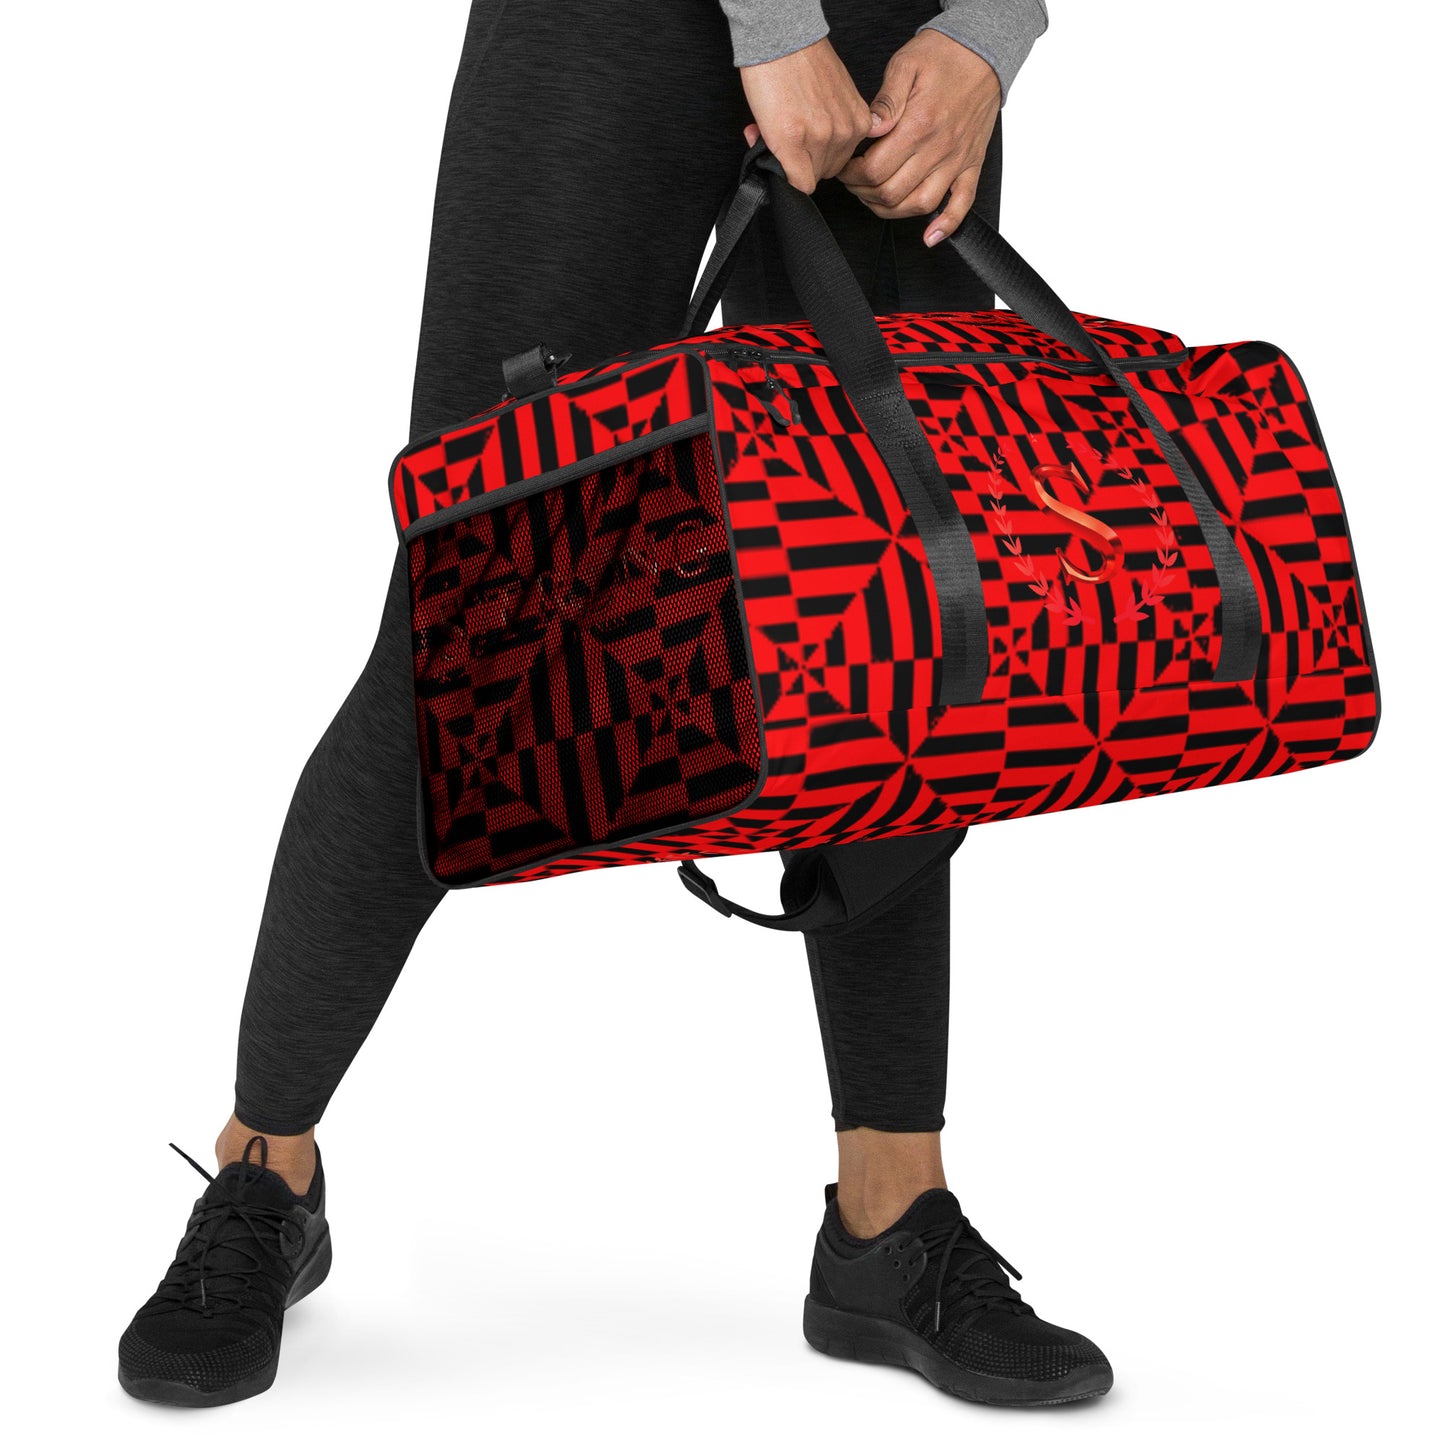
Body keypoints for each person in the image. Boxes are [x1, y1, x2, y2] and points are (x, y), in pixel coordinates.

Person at [118, 0, 1110, 1412]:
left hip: (911, 51)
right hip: (613, 29)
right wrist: (773, 23)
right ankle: (263, 1171)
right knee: (474, 619)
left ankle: (890, 1219)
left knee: (894, 635)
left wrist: (991, 31)